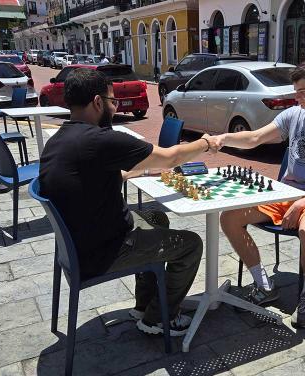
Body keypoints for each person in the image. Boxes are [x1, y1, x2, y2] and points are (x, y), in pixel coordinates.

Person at [39, 68, 221, 336]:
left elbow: (98, 175)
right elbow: (170, 157)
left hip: (81, 243)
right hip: (105, 251)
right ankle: (158, 318)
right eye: (113, 102)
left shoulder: (61, 139)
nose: (114, 109)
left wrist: (139, 171)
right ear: (98, 102)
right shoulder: (101, 140)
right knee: (191, 244)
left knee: (156, 218)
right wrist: (205, 143)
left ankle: (144, 304)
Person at [217, 58, 305, 328]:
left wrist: (302, 203)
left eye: (301, 92)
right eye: (295, 91)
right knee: (229, 218)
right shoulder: (294, 115)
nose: (296, 98)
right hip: (284, 194)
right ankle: (263, 284)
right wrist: (223, 139)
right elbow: (255, 138)